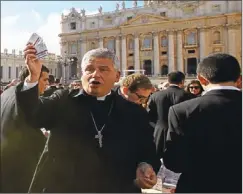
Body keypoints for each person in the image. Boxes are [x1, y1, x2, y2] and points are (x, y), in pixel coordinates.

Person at [15, 46, 161, 192]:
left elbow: (147, 149)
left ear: (117, 76)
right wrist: (33, 78)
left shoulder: (134, 112)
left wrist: (145, 165)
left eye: (103, 69)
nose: (95, 75)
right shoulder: (63, 100)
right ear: (82, 74)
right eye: (89, 69)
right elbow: (33, 115)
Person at [164, 53, 242, 193]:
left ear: (201, 80)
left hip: (197, 186)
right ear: (239, 79)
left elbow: (174, 162)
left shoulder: (181, 110)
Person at [1, 65, 50, 192]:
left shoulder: (7, 92)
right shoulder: (22, 97)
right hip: (19, 164)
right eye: (44, 80)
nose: (48, 84)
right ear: (33, 77)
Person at [147, 71, 194, 159]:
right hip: (182, 133)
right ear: (182, 81)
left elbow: (149, 116)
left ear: (168, 81)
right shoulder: (188, 95)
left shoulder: (155, 96)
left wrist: (157, 127)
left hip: (160, 132)